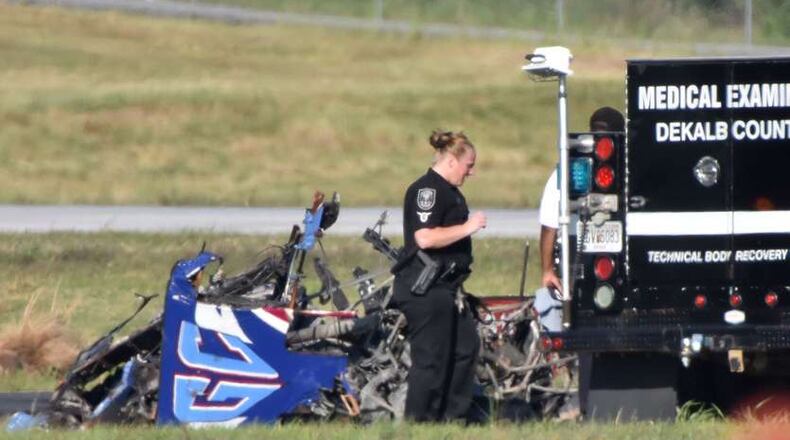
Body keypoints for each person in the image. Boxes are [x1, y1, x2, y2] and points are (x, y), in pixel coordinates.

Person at [392, 130, 487, 422]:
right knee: (431, 361)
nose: (470, 172)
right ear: (451, 160)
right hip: (425, 289)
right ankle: (419, 424)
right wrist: (469, 227)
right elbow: (425, 238)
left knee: (465, 350)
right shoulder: (427, 191)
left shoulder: (451, 192)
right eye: (468, 165)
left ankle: (451, 420)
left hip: (448, 289)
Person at [535, 106, 626, 332]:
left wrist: (547, 270)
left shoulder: (567, 171)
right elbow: (550, 224)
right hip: (611, 256)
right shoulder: (627, 170)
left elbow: (549, 225)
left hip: (578, 252)